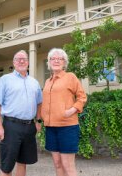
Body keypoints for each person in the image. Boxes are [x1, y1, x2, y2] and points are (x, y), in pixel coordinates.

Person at [0, 50, 43, 176]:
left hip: (29, 127)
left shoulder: (34, 82)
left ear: (28, 62)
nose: (21, 61)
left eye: (24, 59)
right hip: (11, 127)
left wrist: (38, 121)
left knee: (22, 162)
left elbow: (40, 103)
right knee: (7, 166)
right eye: (18, 59)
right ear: (14, 62)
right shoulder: (5, 80)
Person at [41, 48, 87, 176]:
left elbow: (82, 97)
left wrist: (71, 110)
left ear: (64, 62)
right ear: (49, 62)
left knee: (68, 165)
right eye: (53, 58)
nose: (56, 60)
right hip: (50, 127)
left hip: (67, 127)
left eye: (59, 58)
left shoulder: (70, 77)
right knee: (57, 164)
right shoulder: (47, 81)